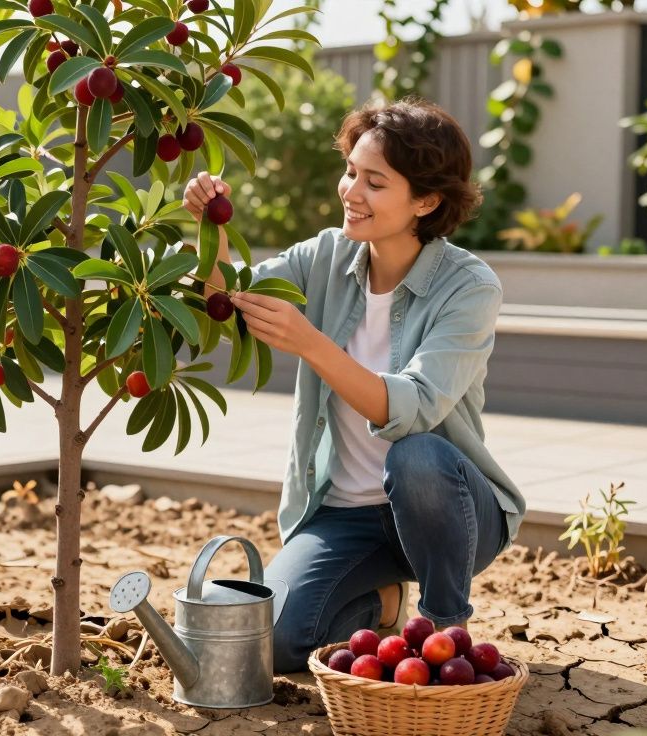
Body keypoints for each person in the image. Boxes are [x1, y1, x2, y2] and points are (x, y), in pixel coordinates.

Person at [180, 97, 526, 673]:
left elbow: (412, 408)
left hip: (449, 511)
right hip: (342, 512)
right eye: (349, 173)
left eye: (375, 182)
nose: (351, 192)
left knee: (416, 457)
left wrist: (311, 343)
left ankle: (444, 632)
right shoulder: (325, 256)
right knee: (272, 645)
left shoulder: (468, 287)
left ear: (427, 200)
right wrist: (208, 227)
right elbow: (230, 301)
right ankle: (383, 601)